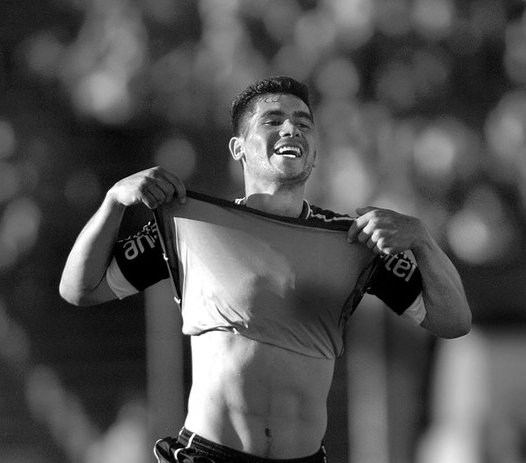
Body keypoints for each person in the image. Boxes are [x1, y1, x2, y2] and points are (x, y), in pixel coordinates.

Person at [59, 76, 471, 462]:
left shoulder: (353, 241)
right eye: (273, 120)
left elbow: (453, 321)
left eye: (303, 123)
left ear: (314, 151)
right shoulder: (192, 223)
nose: (291, 129)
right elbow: (81, 288)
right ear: (238, 148)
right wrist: (113, 202)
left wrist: (421, 238)